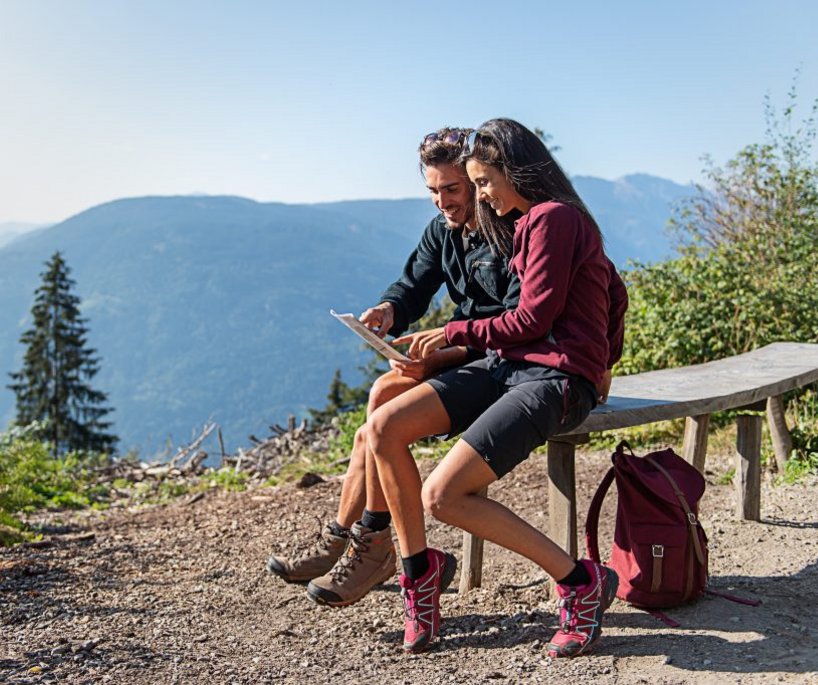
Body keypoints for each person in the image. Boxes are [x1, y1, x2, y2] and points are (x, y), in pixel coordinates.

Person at [365, 118, 628, 657]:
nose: (480, 194)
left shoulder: (554, 219)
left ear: (513, 171)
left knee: (442, 496)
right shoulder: (532, 224)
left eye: (482, 182)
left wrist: (452, 332)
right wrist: (607, 353)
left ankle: (580, 582)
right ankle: (420, 574)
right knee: (384, 427)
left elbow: (531, 319)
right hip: (509, 368)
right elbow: (614, 289)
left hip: (554, 380)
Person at [266, 127, 520, 606]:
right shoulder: (442, 232)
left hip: (499, 364)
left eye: (453, 189)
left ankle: (367, 541)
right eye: (433, 191)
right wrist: (388, 311)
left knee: (384, 403)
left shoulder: (507, 232)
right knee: (381, 397)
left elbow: (510, 325)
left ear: (474, 180)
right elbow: (412, 285)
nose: (443, 202)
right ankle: (349, 538)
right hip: (464, 352)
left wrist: (440, 355)